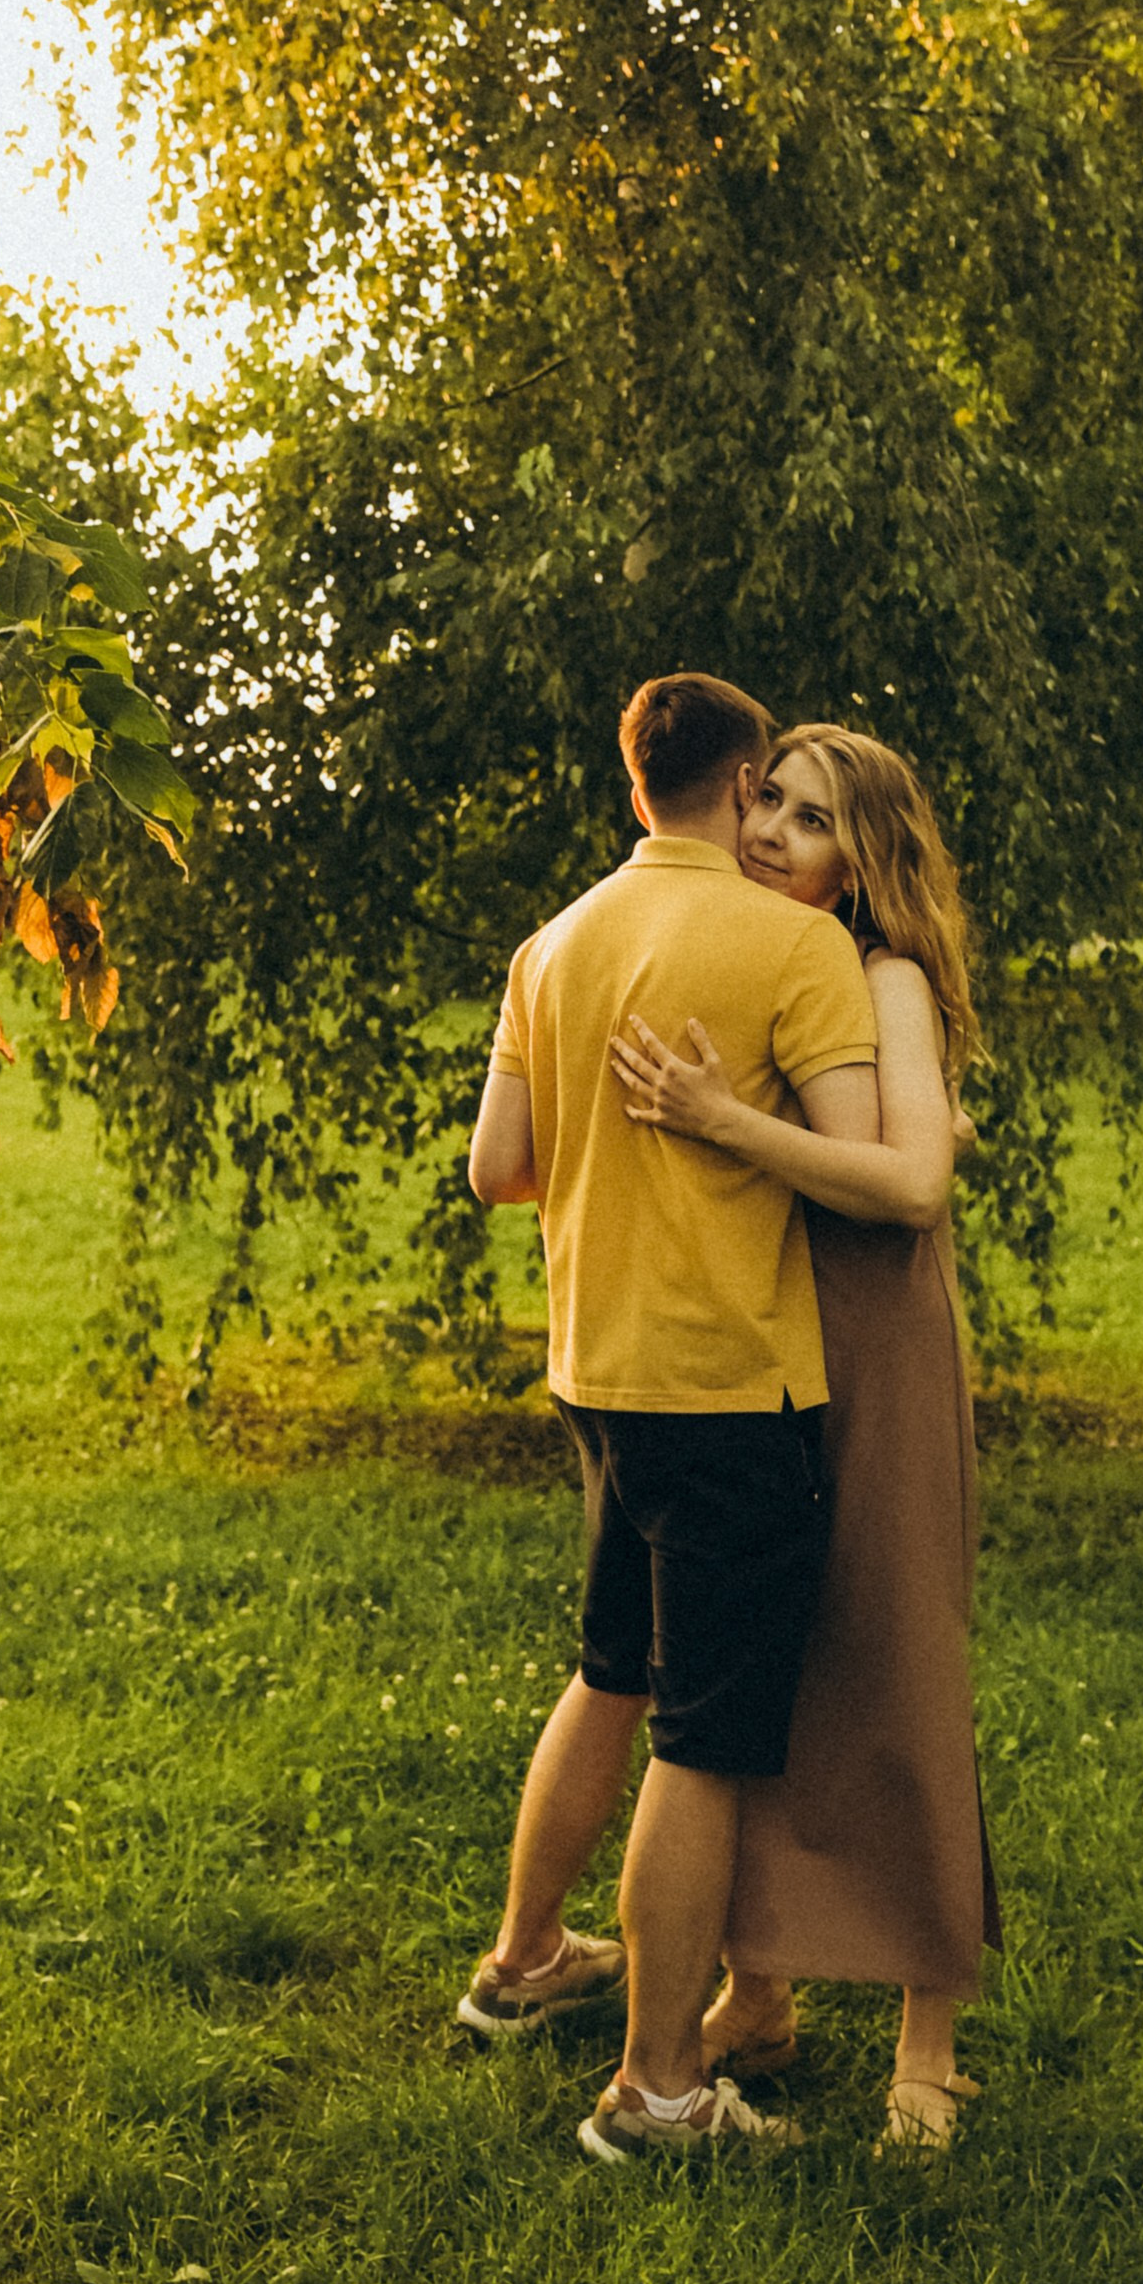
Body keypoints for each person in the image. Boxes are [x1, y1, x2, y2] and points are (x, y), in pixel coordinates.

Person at [460, 670, 882, 2164]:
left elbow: (496, 1167)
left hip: (594, 1368)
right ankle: (655, 2089)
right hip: (725, 1382)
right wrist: (717, 1135)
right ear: (742, 774)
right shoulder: (797, 946)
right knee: (701, 1741)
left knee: (610, 1669)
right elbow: (863, 1171)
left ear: (635, 784)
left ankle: (519, 1967)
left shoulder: (553, 944)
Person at [608, 723, 1000, 2151]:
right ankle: (757, 1994)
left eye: (810, 817)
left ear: (864, 856)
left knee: (893, 1661)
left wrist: (720, 1118)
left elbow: (909, 1183)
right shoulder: (769, 956)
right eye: (764, 797)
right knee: (757, 1657)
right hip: (763, 1350)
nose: (768, 826)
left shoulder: (880, 972)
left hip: (875, 1346)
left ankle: (927, 2039)